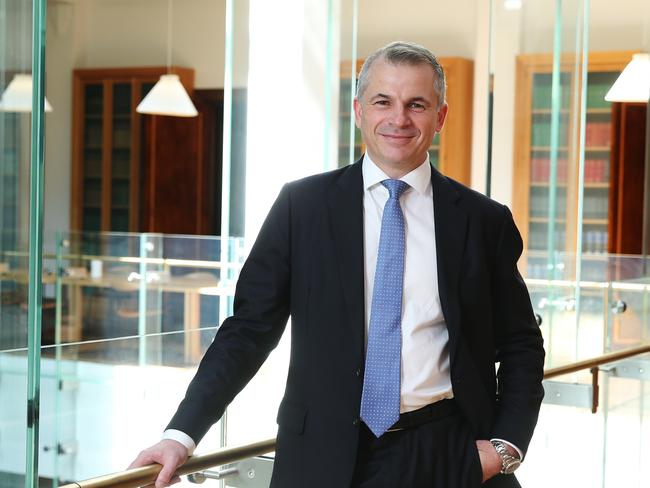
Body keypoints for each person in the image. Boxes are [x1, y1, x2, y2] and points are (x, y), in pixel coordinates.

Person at [130, 41, 545, 488]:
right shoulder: (301, 207)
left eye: (417, 104)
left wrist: (506, 446)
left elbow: (521, 342)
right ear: (359, 110)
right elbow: (248, 330)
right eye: (383, 101)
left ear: (440, 117)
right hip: (320, 455)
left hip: (448, 452)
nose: (399, 118)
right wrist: (181, 434)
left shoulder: (483, 221)